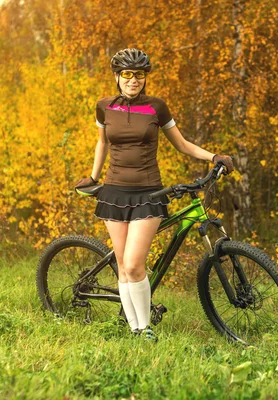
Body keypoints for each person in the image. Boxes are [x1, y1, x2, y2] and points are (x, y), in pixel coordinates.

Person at [75, 48, 233, 341]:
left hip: (148, 193)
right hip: (113, 193)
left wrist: (214, 157)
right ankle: (135, 329)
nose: (133, 80)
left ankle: (145, 328)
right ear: (117, 77)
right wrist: (94, 176)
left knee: (134, 264)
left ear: (145, 78)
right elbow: (102, 143)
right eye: (127, 74)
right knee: (123, 266)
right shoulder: (104, 106)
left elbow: (183, 144)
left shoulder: (156, 108)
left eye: (139, 75)